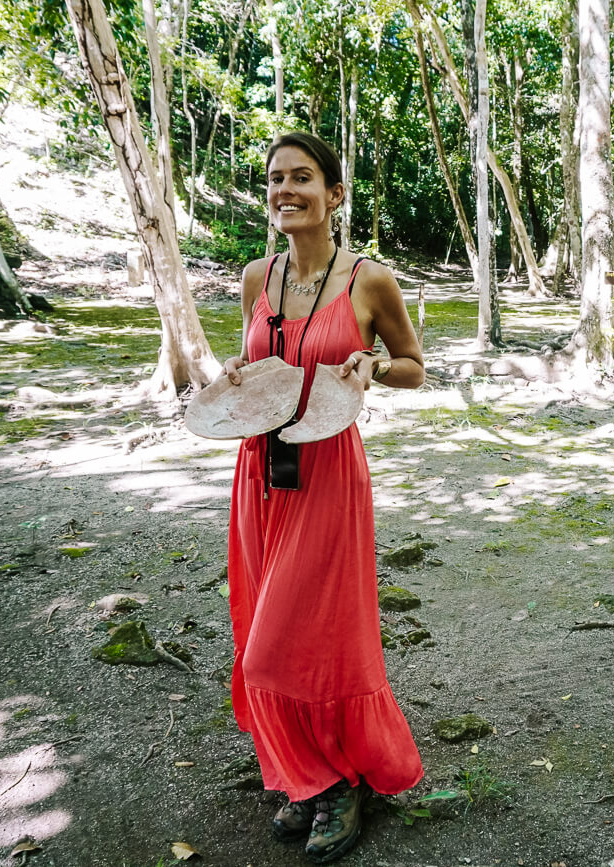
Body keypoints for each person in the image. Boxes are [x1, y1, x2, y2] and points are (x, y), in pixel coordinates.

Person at [220, 131, 425, 863]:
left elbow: (413, 367)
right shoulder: (255, 277)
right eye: (275, 179)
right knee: (261, 634)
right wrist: (233, 378)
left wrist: (372, 362)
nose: (285, 190)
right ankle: (311, 779)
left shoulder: (369, 280)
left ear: (334, 193)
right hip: (258, 472)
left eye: (302, 177)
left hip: (330, 471)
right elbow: (252, 368)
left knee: (300, 641)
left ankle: (338, 780)